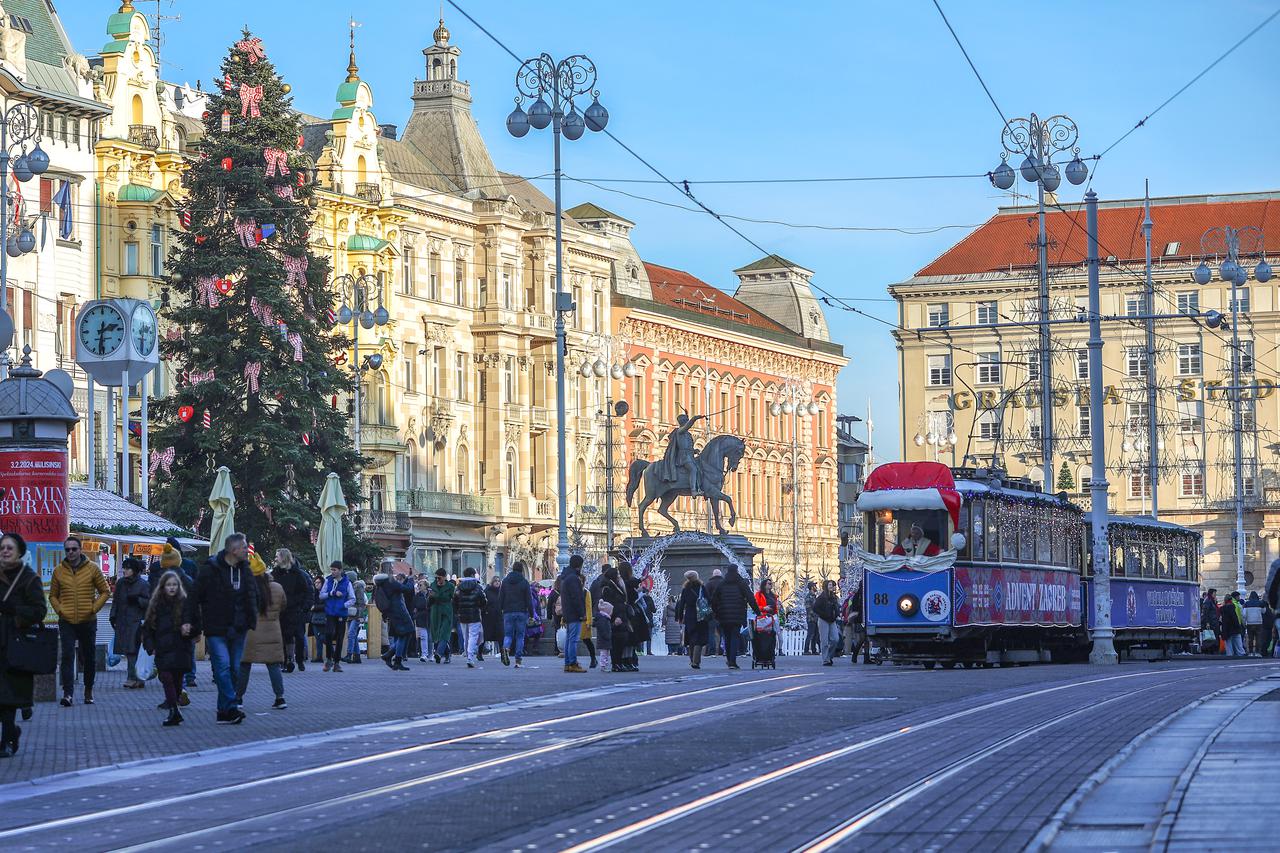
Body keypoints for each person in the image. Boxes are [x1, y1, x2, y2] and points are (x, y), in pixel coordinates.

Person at [183, 532, 258, 724]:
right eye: (243, 547)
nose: (246, 551)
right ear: (233, 550)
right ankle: (231, 706)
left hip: (239, 627)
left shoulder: (245, 570)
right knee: (223, 667)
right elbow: (194, 596)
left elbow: (252, 594)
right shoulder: (211, 570)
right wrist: (191, 622)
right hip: (216, 627)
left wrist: (251, 617)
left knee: (234, 669)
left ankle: (223, 711)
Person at [50, 535, 110, 707]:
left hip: (87, 620)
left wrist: (93, 608)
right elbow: (53, 595)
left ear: (80, 550)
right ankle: (68, 693)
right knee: (67, 656)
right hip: (66, 620)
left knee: (89, 657)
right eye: (67, 549)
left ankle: (88, 689)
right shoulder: (58, 571)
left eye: (74, 549)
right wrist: (60, 610)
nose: (70, 552)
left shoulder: (92, 568)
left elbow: (105, 591)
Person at [0, 534, 45, 756]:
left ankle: (7, 739)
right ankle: (10, 733)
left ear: (19, 551)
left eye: (10, 548)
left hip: (15, 646)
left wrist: (15, 612)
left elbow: (39, 611)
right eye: (2, 548)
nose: (5, 551)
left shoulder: (28, 578)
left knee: (7, 698)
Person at [236, 552, 287, 710]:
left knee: (244, 665)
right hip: (272, 631)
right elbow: (283, 606)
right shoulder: (277, 588)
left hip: (250, 632)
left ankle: (238, 698)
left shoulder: (245, 589)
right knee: (273, 665)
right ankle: (280, 698)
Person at [142, 570, 194, 726]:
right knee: (167, 679)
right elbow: (148, 628)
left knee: (177, 682)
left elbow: (194, 622)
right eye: (169, 585)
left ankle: (175, 706)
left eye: (174, 585)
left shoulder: (184, 603)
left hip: (180, 648)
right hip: (163, 649)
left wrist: (190, 629)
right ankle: (174, 710)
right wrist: (150, 646)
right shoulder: (156, 604)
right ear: (163, 587)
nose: (172, 588)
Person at [160, 540, 199, 687]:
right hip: (185, 621)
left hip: (170, 623)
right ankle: (188, 678)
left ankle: (179, 686)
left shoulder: (161, 577)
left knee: (172, 655)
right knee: (188, 650)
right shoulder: (189, 572)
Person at [110, 557, 151, 689]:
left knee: (132, 650)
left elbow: (149, 602)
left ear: (134, 570)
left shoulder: (143, 584)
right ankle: (138, 678)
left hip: (136, 621)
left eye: (128, 568)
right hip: (123, 620)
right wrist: (112, 616)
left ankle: (133, 678)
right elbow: (116, 600)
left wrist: (138, 600)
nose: (125, 570)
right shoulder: (121, 583)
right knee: (129, 650)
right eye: (124, 568)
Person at [709, 564, 759, 669]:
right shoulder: (741, 583)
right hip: (738, 614)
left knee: (727, 637)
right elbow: (751, 598)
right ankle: (732, 661)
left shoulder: (722, 584)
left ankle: (729, 660)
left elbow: (713, 600)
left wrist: (716, 612)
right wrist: (757, 612)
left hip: (723, 615)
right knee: (735, 636)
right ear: (737, 571)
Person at [271, 549, 312, 672]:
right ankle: (286, 660)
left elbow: (306, 591)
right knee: (283, 636)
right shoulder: (275, 573)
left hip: (295, 610)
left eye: (277, 556)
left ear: (283, 558)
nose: (275, 559)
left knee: (298, 636)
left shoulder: (298, 574)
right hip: (281, 610)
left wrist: (304, 607)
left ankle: (298, 659)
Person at [373, 569, 415, 670]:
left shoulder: (380, 584)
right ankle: (393, 657)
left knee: (403, 634)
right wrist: (410, 580)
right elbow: (407, 589)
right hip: (399, 612)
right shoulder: (390, 582)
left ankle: (393, 657)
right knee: (407, 632)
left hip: (391, 612)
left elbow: (399, 588)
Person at [496, 561, 534, 668]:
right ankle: (518, 660)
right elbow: (529, 600)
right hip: (521, 612)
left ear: (512, 569)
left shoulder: (505, 582)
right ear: (522, 570)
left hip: (508, 612)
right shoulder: (524, 582)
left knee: (508, 635)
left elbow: (500, 598)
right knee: (520, 636)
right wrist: (531, 614)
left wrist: (501, 609)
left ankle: (506, 648)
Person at [319, 562, 354, 672]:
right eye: (331, 570)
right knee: (328, 634)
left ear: (340, 570)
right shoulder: (328, 581)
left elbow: (352, 598)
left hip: (341, 613)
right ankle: (329, 659)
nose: (332, 572)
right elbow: (321, 595)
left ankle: (337, 662)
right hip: (330, 612)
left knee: (340, 637)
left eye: (334, 570)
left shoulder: (347, 583)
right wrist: (331, 593)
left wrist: (344, 605)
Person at [659, 412, 705, 495]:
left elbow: (687, 447)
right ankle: (693, 491)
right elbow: (683, 447)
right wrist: (694, 418)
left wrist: (694, 451)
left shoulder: (688, 434)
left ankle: (699, 487)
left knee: (700, 467)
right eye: (686, 421)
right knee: (693, 469)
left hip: (689, 456)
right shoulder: (680, 431)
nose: (687, 423)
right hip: (683, 457)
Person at [599, 564, 631, 672]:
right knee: (616, 640)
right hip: (615, 617)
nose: (619, 576)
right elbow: (610, 604)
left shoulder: (617, 585)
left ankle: (618, 662)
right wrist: (616, 617)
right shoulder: (608, 588)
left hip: (621, 615)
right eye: (617, 574)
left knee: (622, 639)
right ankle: (615, 663)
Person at [455, 567, 487, 668]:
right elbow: (483, 600)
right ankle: (470, 656)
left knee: (466, 636)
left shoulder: (459, 587)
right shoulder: (478, 587)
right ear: (473, 575)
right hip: (474, 614)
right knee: (473, 636)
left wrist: (457, 611)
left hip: (462, 614)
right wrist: (481, 608)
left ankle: (467, 653)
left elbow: (454, 600)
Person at [676, 570, 709, 670]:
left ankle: (692, 660)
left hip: (690, 616)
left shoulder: (686, 589)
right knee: (699, 639)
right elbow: (708, 599)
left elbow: (682, 604)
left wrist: (680, 617)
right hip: (701, 615)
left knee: (691, 638)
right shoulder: (702, 587)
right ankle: (696, 661)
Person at [560, 555, 587, 673]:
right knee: (573, 639)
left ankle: (568, 663)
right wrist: (582, 613)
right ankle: (572, 662)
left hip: (568, 611)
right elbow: (577, 597)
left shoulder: (566, 577)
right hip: (574, 613)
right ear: (579, 565)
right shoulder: (573, 579)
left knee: (569, 639)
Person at [428, 568, 457, 664]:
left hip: (446, 611)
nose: (437, 580)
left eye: (439, 578)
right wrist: (430, 597)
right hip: (435, 612)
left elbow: (452, 599)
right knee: (436, 634)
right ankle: (447, 654)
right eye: (436, 578)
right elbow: (429, 601)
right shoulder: (432, 585)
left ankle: (439, 653)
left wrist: (435, 596)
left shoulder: (450, 586)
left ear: (444, 577)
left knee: (444, 634)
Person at [813, 579, 841, 666]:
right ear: (826, 586)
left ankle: (829, 656)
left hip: (832, 620)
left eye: (832, 585)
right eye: (830, 585)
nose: (832, 586)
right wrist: (824, 615)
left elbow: (837, 608)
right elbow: (815, 608)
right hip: (823, 620)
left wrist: (836, 614)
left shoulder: (834, 597)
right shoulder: (821, 598)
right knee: (824, 641)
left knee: (835, 639)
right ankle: (826, 660)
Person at [344, 570, 367, 664]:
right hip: (350, 614)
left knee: (351, 634)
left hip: (356, 614)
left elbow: (361, 602)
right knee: (353, 635)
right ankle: (357, 657)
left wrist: (360, 616)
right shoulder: (349, 586)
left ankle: (349, 654)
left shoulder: (358, 586)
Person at [842, 586, 867, 664]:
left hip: (859, 619)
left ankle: (864, 657)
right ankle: (857, 655)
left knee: (864, 639)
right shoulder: (860, 595)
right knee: (863, 638)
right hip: (860, 619)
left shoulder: (857, 595)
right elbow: (855, 608)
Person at [307, 575, 327, 663]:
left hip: (323, 618)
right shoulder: (314, 593)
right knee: (317, 638)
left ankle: (333, 653)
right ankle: (319, 656)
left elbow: (326, 606)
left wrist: (315, 607)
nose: (316, 584)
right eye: (315, 582)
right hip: (314, 618)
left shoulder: (325, 594)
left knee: (322, 637)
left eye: (318, 582)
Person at [704, 568, 723, 656]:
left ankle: (711, 651)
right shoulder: (725, 584)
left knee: (710, 632)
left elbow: (705, 598)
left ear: (713, 575)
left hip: (711, 612)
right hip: (724, 611)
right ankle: (722, 650)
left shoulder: (709, 584)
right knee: (723, 632)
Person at [411, 577, 431, 662]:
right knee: (423, 636)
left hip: (430, 617)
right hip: (421, 617)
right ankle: (424, 654)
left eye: (421, 585)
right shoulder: (417, 595)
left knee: (430, 637)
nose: (419, 586)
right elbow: (417, 605)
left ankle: (430, 654)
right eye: (418, 585)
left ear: (426, 586)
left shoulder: (430, 594)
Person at [1220, 591, 1245, 657]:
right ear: (1230, 599)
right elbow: (1235, 617)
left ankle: (1229, 654)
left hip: (1226, 628)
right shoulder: (1232, 606)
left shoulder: (1222, 608)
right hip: (1233, 627)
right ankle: (1241, 653)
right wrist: (1238, 625)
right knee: (1238, 641)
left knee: (1228, 642)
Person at [1201, 588, 1221, 654]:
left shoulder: (1212, 601)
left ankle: (1213, 650)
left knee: (1214, 636)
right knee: (1210, 637)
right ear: (1211, 593)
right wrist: (1207, 622)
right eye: (1214, 594)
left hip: (1214, 622)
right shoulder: (1208, 601)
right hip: (1211, 623)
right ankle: (1210, 650)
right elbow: (1205, 613)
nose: (1215, 595)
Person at [1244, 591, 1264, 655]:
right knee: (1258, 638)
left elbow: (1244, 615)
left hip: (1249, 623)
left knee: (1250, 638)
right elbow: (1264, 611)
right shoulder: (1260, 603)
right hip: (1259, 623)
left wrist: (1245, 621)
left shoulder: (1246, 604)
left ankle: (1250, 652)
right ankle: (1258, 652)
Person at [802, 581, 819, 655]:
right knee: (810, 634)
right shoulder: (808, 597)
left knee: (815, 634)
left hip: (816, 619)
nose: (816, 587)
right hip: (811, 619)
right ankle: (806, 650)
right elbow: (809, 609)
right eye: (815, 586)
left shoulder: (814, 596)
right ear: (812, 587)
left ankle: (814, 650)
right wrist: (815, 615)